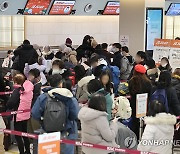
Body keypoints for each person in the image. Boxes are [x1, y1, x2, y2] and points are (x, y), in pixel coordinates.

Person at [32, 74, 79, 154]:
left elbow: (35, 114)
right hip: (67, 132)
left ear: (49, 83)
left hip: (48, 134)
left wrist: (45, 120)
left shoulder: (43, 97)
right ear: (61, 83)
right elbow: (75, 114)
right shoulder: (69, 97)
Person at [7, 74, 34, 154]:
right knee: (25, 134)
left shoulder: (17, 91)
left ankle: (22, 152)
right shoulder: (29, 90)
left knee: (18, 136)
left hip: (18, 116)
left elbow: (11, 103)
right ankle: (28, 151)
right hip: (26, 115)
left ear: (15, 81)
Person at [129, 64, 152, 139]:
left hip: (134, 105)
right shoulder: (148, 82)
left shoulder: (132, 81)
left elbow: (131, 93)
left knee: (135, 122)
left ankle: (135, 138)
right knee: (144, 122)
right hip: (145, 105)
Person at [27, 69, 41, 134]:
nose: (29, 77)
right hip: (30, 109)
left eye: (30, 76)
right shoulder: (32, 85)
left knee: (34, 127)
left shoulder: (37, 87)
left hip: (34, 109)